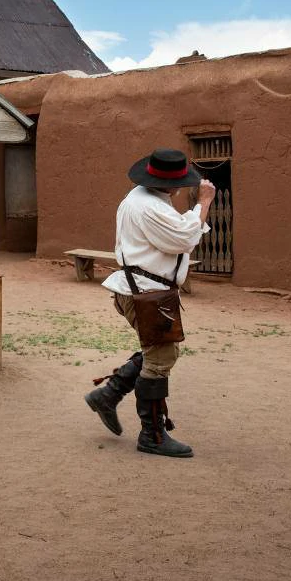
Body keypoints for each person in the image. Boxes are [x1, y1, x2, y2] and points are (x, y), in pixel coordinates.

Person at [84, 148, 215, 458]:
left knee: (158, 351)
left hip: (146, 291)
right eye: (181, 181)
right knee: (160, 357)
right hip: (146, 293)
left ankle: (108, 395)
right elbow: (184, 238)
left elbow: (177, 232)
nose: (183, 186)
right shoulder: (148, 206)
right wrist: (205, 202)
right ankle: (152, 435)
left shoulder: (147, 199)